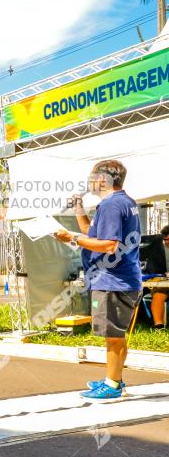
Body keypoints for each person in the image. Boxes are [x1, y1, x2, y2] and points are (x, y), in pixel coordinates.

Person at [56, 159, 142, 399]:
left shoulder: (112, 206)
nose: (89, 182)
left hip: (113, 281)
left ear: (103, 179)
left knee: (112, 336)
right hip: (121, 280)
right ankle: (115, 379)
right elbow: (91, 233)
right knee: (116, 335)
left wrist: (71, 239)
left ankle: (113, 384)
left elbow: (108, 245)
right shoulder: (122, 202)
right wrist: (78, 209)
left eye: (92, 177)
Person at [142, 224, 168, 329]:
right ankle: (159, 326)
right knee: (158, 294)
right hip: (163, 281)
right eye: (165, 240)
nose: (167, 242)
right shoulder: (157, 247)